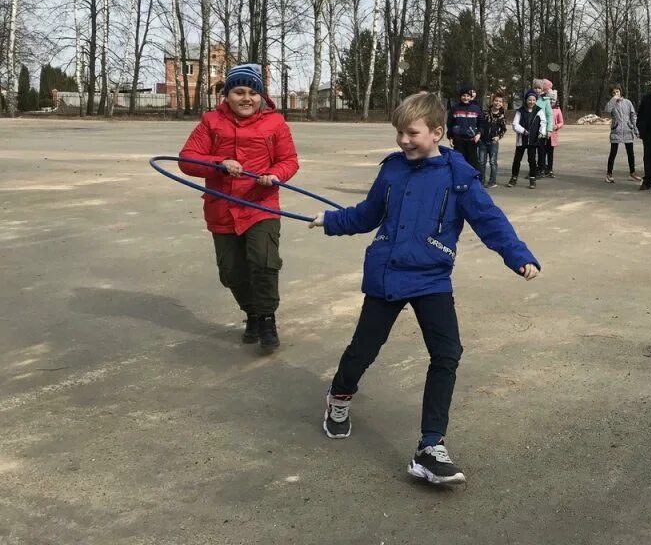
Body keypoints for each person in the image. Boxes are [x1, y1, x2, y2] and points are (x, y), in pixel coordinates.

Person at [310, 92, 539, 486]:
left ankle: (430, 446)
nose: (403, 140)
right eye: (399, 132)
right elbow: (367, 215)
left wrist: (517, 254)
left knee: (447, 353)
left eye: (411, 133)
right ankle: (340, 396)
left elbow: (489, 219)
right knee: (364, 348)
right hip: (387, 274)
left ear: (436, 132)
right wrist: (330, 220)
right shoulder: (392, 171)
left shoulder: (458, 175)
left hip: (431, 276)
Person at [178, 63, 299, 351]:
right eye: (239, 91)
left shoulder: (276, 123)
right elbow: (186, 159)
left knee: (263, 263)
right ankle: (252, 313)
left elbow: (290, 160)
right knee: (231, 271)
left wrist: (276, 175)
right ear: (227, 95)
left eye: (252, 93)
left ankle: (268, 319)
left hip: (261, 204)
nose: (246, 98)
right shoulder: (210, 122)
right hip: (222, 206)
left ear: (261, 96)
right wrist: (218, 164)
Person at [508, 89, 546, 189]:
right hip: (522, 140)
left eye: (533, 100)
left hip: (533, 140)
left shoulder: (539, 110)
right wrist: (523, 131)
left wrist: (542, 132)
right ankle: (514, 178)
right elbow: (515, 124)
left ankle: (532, 179)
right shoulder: (520, 111)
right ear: (526, 100)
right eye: (529, 100)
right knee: (517, 160)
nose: (531, 102)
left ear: (536, 100)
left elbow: (543, 122)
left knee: (532, 160)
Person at [604, 85, 640, 184]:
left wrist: (636, 129)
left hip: (628, 130)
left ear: (621, 92)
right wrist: (613, 100)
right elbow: (607, 110)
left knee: (630, 153)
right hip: (616, 131)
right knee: (613, 153)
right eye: (613, 92)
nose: (616, 94)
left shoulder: (628, 103)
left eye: (617, 91)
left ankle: (632, 173)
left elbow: (633, 116)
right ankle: (609, 174)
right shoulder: (612, 103)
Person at [446, 85, 482, 171]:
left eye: (468, 96)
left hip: (472, 140)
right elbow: (450, 123)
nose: (466, 98)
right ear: (460, 96)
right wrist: (450, 137)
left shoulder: (476, 109)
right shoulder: (455, 108)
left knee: (473, 164)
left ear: (471, 97)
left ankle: (475, 182)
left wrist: (479, 134)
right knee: (459, 163)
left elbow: (481, 124)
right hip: (458, 141)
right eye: (463, 95)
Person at [477, 93, 507, 189]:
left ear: (502, 103)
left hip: (493, 142)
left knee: (493, 162)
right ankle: (481, 181)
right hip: (482, 141)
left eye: (500, 101)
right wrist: (479, 134)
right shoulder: (485, 113)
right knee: (481, 162)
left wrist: (498, 137)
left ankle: (492, 181)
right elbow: (480, 125)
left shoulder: (502, 116)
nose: (497, 103)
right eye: (496, 101)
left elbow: (503, 129)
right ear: (492, 101)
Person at [532, 78, 554, 175]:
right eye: (535, 88)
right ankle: (533, 169)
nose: (537, 90)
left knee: (541, 151)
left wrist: (549, 130)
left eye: (539, 88)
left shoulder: (545, 100)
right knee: (532, 152)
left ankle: (541, 169)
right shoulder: (530, 99)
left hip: (542, 130)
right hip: (531, 130)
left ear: (542, 89)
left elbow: (549, 115)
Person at [545, 95, 565, 177]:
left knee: (550, 153)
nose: (551, 101)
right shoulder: (544, 107)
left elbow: (561, 122)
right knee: (541, 152)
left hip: (552, 135)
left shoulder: (557, 109)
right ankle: (541, 168)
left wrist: (556, 126)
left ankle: (550, 169)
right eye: (550, 99)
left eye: (553, 99)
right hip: (543, 134)